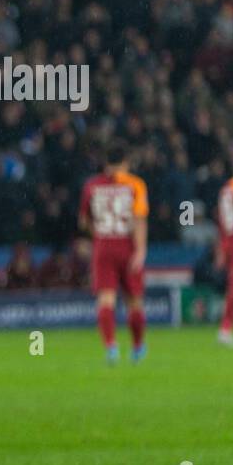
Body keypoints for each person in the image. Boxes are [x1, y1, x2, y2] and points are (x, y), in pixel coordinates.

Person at [78, 143, 149, 363]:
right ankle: (137, 348)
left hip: (103, 246)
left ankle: (111, 346)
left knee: (105, 300)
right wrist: (140, 250)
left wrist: (98, 234)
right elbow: (139, 218)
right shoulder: (135, 184)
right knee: (134, 301)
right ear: (126, 162)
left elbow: (83, 221)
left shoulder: (91, 185)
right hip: (126, 245)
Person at [215, 171, 233, 346]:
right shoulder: (232, 189)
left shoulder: (229, 188)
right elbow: (229, 224)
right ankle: (225, 328)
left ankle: (225, 328)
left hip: (232, 241)